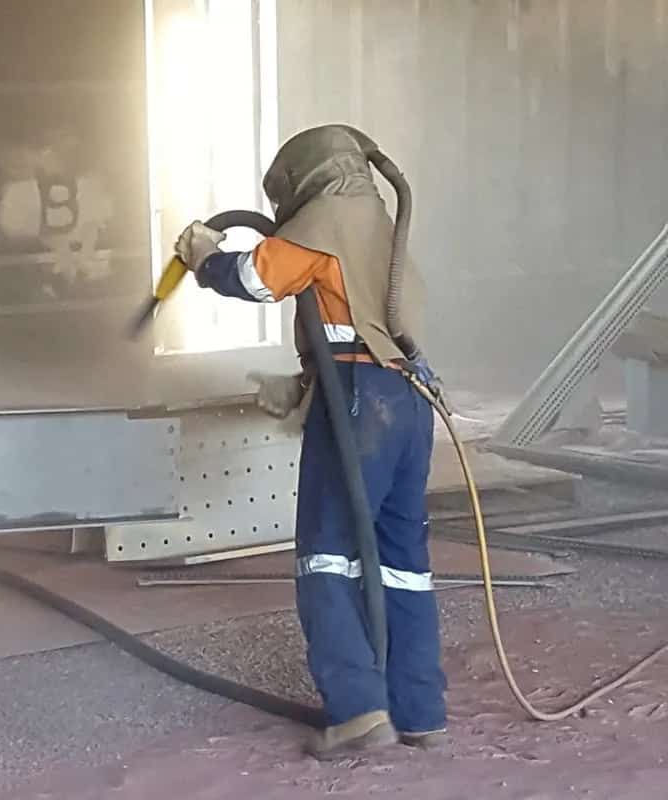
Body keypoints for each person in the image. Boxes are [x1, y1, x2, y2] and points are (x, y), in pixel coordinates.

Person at [173, 125, 447, 759]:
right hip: (409, 401)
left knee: (326, 553)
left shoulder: (327, 219)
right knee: (402, 563)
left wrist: (205, 258)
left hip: (359, 403)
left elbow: (259, 277)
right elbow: (360, 323)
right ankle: (421, 713)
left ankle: (357, 711)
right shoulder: (381, 225)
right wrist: (303, 387)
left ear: (302, 180)